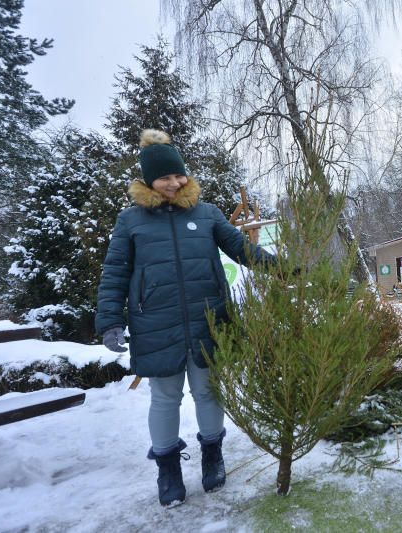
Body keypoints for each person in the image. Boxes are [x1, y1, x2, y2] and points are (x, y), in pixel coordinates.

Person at [95, 129, 276, 507]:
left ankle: (213, 455)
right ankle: (168, 470)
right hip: (155, 322)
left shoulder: (206, 214)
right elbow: (115, 272)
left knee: (208, 391)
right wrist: (110, 320)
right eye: (165, 177)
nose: (174, 183)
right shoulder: (131, 221)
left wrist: (288, 271)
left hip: (207, 318)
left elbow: (243, 250)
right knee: (164, 398)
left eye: (178, 175)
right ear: (149, 180)